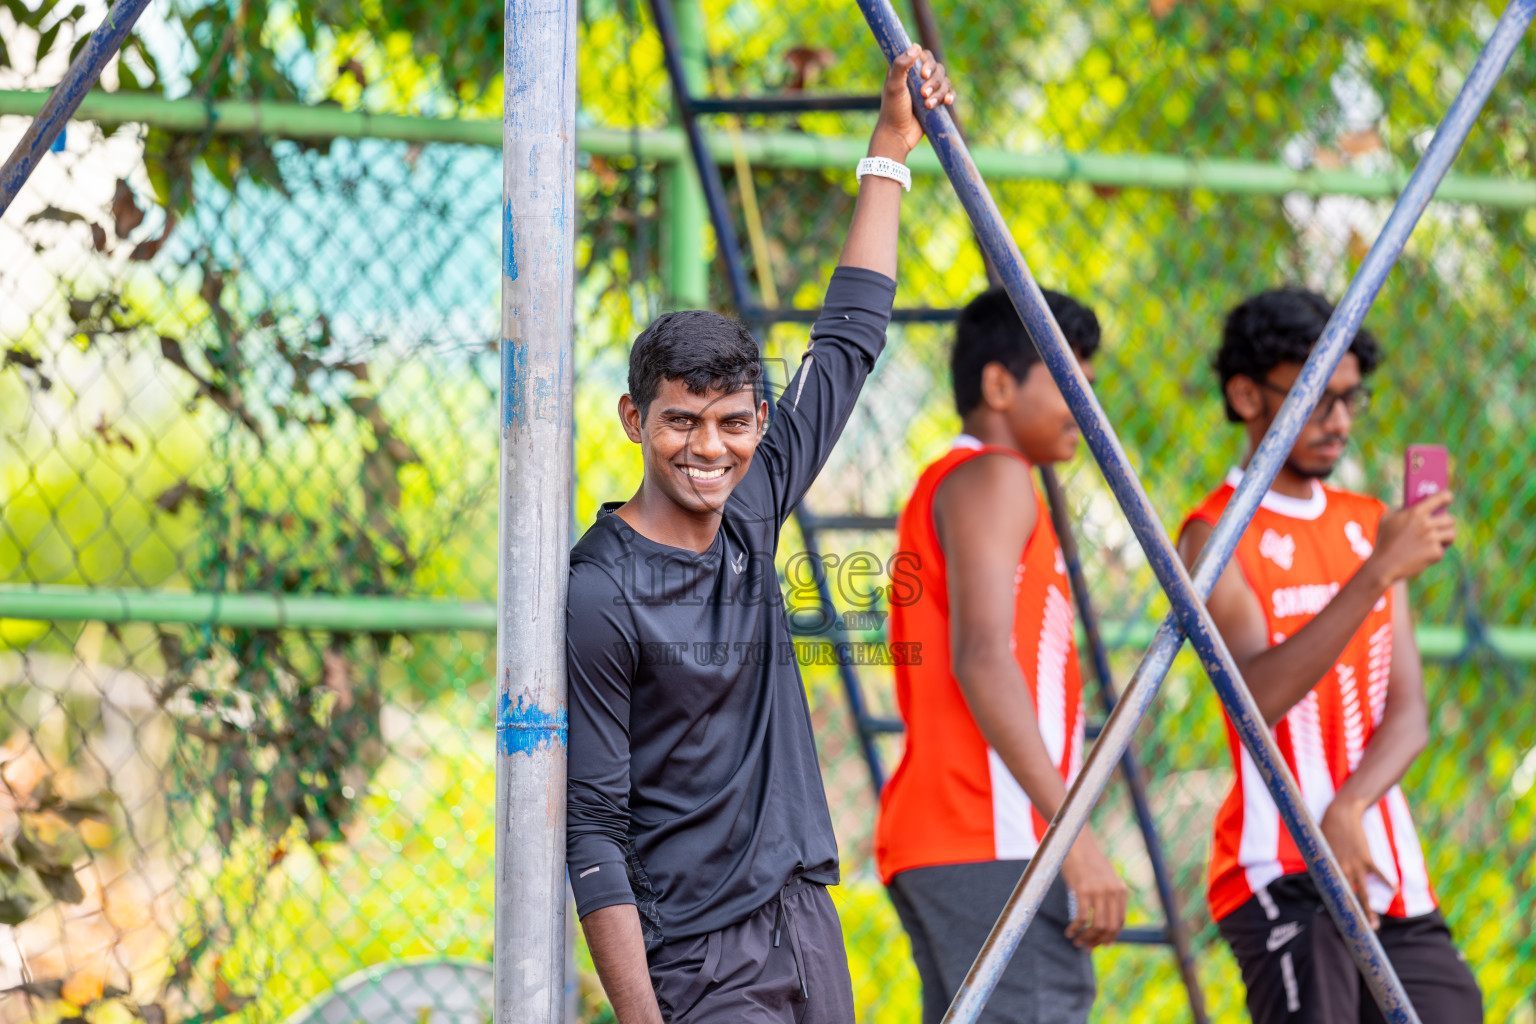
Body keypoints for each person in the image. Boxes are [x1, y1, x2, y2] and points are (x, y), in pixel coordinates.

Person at [564, 46, 956, 1024]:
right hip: (695, 955)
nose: (709, 449)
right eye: (681, 423)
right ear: (633, 420)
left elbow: (849, 338)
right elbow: (595, 830)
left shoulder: (753, 499)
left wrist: (888, 144)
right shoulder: (600, 589)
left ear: (759, 424)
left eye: (733, 422)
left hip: (802, 920)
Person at [1175, 288, 1481, 1023]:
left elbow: (1407, 712)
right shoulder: (1212, 534)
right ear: (1245, 394)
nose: (1339, 420)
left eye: (1350, 399)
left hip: (1386, 870)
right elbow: (1255, 698)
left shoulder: (1369, 522)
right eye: (1317, 399)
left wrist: (1351, 803)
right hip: (1282, 874)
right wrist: (1376, 573)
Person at [875, 286, 1128, 1024]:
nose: (1086, 404)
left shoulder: (957, 483)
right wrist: (1069, 838)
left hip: (962, 838)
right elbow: (983, 659)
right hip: (993, 836)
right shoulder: (995, 475)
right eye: (1068, 380)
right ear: (998, 385)